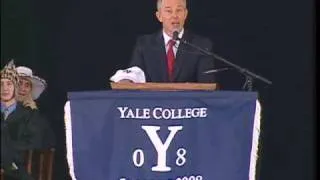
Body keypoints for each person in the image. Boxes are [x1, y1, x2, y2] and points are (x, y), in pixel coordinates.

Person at [115, 0, 215, 83]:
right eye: (169, 11)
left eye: (179, 10)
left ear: (185, 14)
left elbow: (207, 85)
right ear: (159, 16)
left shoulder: (201, 44)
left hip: (189, 105)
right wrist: (127, 79)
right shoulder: (144, 44)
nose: (174, 15)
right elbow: (134, 75)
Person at [1, 60, 38, 180]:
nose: (5, 88)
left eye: (9, 84)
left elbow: (34, 141)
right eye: (2, 84)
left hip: (13, 168)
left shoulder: (29, 114)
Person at [16, 66, 55, 148]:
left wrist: (33, 112)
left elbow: (39, 143)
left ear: (30, 90)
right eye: (19, 83)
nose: (22, 88)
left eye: (27, 85)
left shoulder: (34, 114)